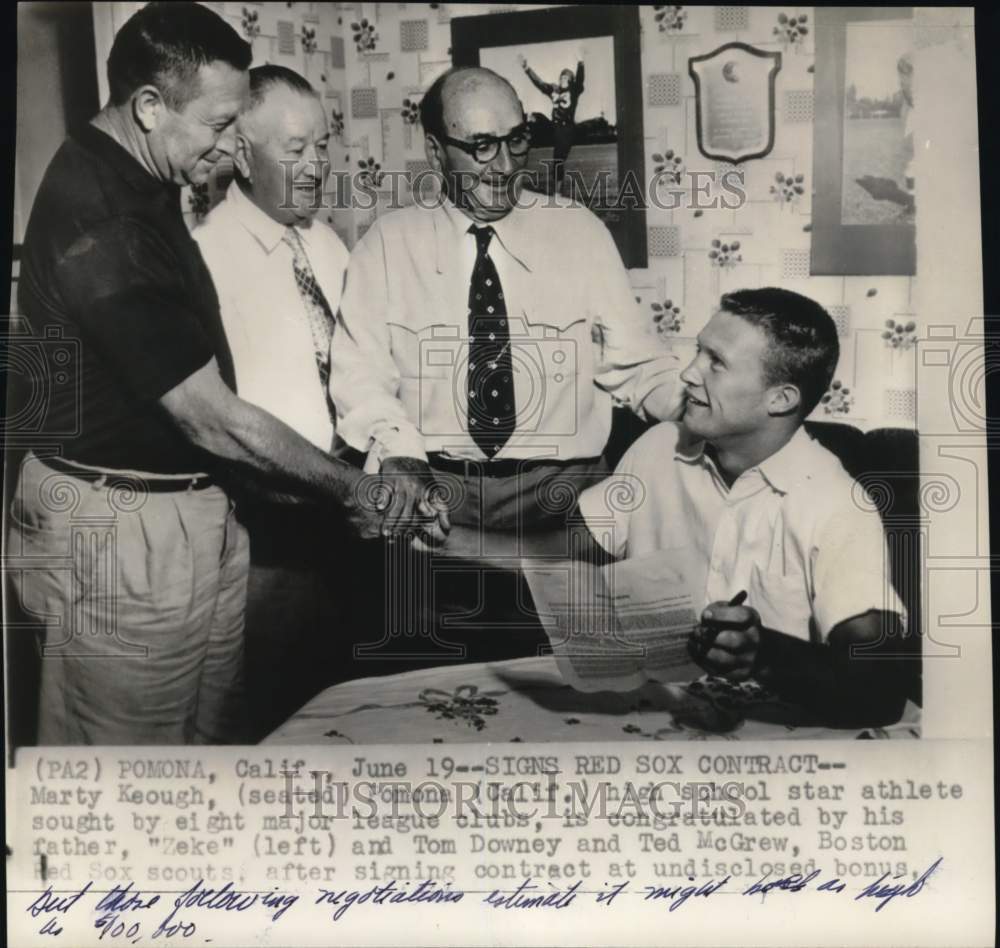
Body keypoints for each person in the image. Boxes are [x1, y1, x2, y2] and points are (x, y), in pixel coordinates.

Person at [7, 3, 411, 746]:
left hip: (188, 515)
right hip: (122, 531)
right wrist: (351, 489)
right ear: (149, 107)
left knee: (210, 752)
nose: (231, 148)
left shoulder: (139, 174)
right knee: (128, 774)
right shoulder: (103, 216)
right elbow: (207, 414)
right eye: (221, 125)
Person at [330, 66, 680, 536]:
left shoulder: (580, 232)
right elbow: (360, 376)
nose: (506, 166)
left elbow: (637, 364)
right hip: (438, 499)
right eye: (482, 146)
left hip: (566, 497)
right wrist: (398, 451)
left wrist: (705, 411)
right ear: (435, 152)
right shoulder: (386, 246)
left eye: (516, 140)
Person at [574, 288, 911, 728]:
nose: (688, 374)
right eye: (698, 352)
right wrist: (476, 541)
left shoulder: (840, 506)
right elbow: (563, 547)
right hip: (655, 712)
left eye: (716, 362)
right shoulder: (659, 445)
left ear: (780, 399)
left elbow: (882, 691)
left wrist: (765, 654)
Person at [193, 65, 351, 738]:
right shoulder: (205, 257)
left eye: (322, 145)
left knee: (344, 705)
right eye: (295, 149)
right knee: (272, 712)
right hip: (265, 532)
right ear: (242, 153)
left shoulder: (327, 244)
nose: (316, 165)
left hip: (345, 517)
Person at [518, 55, 585, 194]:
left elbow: (580, 79)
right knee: (536, 116)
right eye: (561, 77)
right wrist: (527, 69)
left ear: (571, 80)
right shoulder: (554, 89)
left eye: (566, 78)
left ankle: (558, 192)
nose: (562, 80)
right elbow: (540, 84)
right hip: (553, 126)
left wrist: (580, 63)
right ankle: (523, 138)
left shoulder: (573, 91)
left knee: (558, 160)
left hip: (566, 129)